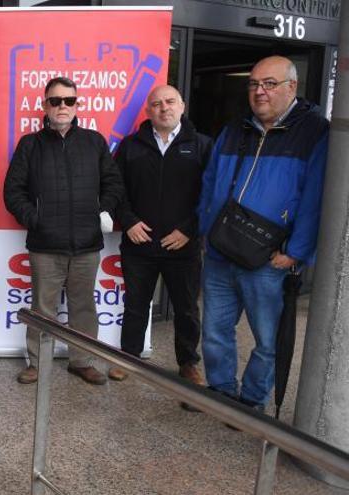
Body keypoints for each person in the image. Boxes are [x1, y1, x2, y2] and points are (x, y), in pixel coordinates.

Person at [198, 55, 328, 411]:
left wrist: (297, 251)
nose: (259, 91)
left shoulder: (315, 132)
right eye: (254, 84)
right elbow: (209, 183)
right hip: (222, 251)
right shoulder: (235, 127)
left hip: (269, 259)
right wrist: (205, 230)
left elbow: (317, 198)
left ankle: (252, 401)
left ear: (292, 87)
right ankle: (222, 393)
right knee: (214, 332)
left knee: (267, 341)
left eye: (269, 84)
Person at [3, 77, 123, 385]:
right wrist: (36, 218)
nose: (62, 106)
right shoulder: (30, 144)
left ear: (77, 104)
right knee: (43, 308)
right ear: (45, 105)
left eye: (68, 101)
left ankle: (81, 360)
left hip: (87, 242)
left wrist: (102, 210)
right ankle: (38, 363)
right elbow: (13, 191)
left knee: (84, 305)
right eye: (55, 101)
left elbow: (113, 183)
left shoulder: (94, 141)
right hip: (45, 243)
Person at [110, 85, 212, 398]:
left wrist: (189, 231)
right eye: (156, 104)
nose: (163, 108)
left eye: (169, 102)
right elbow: (114, 189)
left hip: (183, 246)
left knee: (186, 310)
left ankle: (188, 363)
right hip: (139, 245)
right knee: (136, 305)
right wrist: (127, 222)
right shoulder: (130, 146)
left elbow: (211, 196)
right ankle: (128, 357)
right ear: (148, 111)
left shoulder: (203, 146)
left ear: (182, 105)